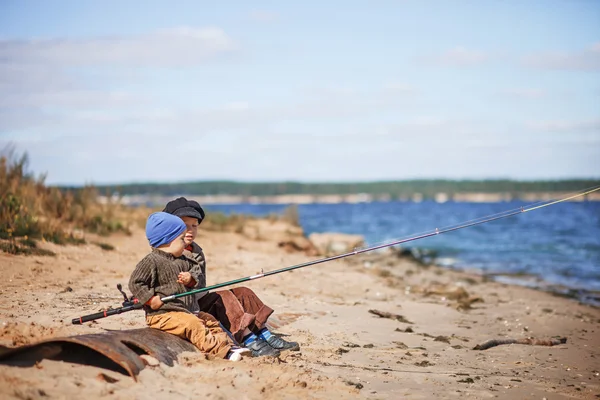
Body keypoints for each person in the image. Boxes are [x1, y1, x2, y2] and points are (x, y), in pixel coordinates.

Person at [163, 197, 300, 358]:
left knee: (243, 291)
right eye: (185, 226)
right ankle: (247, 338)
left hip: (200, 299)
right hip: (187, 308)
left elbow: (200, 284)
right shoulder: (167, 251)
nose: (191, 230)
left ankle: (263, 333)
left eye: (194, 226)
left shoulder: (197, 251)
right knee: (225, 298)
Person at [128, 211, 251, 362]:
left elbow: (197, 275)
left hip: (187, 311)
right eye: (181, 239)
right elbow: (135, 283)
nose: (185, 243)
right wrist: (150, 300)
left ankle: (230, 345)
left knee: (210, 320)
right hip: (162, 315)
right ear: (168, 240)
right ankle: (223, 352)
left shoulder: (183, 259)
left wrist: (191, 279)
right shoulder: (151, 261)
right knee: (193, 324)